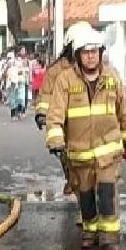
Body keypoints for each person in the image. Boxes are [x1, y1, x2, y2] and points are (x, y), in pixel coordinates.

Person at [46, 28, 126, 250]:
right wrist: (56, 139)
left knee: (107, 193)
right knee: (85, 194)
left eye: (95, 51)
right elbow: (55, 114)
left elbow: (124, 111)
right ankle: (90, 231)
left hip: (108, 151)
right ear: (78, 54)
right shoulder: (65, 80)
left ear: (101, 53)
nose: (91, 56)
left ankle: (109, 237)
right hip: (79, 153)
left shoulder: (112, 78)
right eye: (86, 52)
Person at [35, 21, 93, 198]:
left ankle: (85, 194)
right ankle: (77, 190)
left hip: (91, 124)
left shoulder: (96, 68)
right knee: (70, 161)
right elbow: (46, 94)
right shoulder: (57, 70)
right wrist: (42, 114)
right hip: (66, 124)